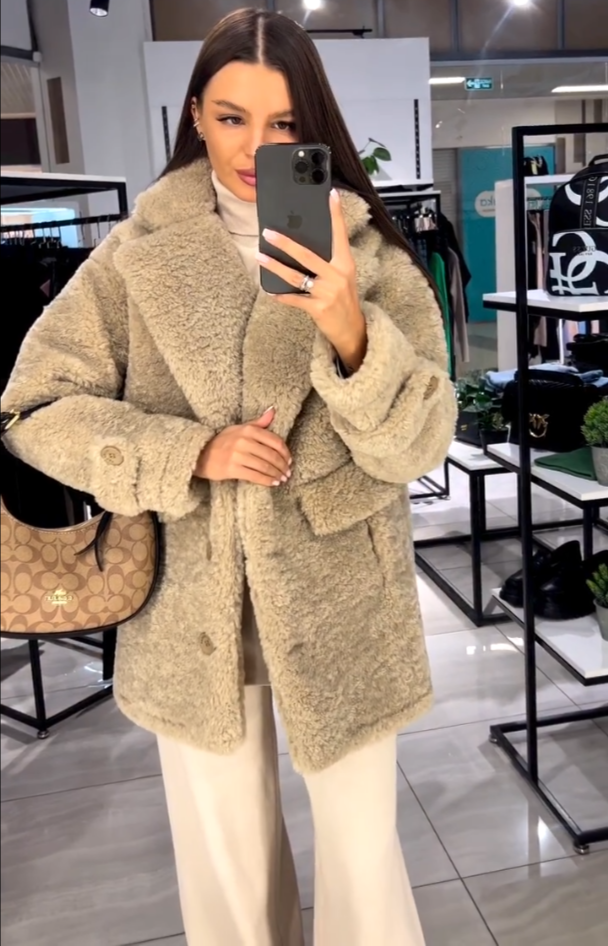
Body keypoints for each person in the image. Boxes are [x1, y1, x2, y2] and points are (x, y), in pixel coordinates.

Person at [2, 9, 456, 946]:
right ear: (196, 117)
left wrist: (349, 328)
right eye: (233, 117)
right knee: (226, 876)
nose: (257, 147)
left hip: (343, 593)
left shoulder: (370, 258)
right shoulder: (134, 258)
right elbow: (33, 407)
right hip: (192, 602)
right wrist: (187, 453)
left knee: (363, 864)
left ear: (313, 125)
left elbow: (418, 445)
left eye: (283, 123)